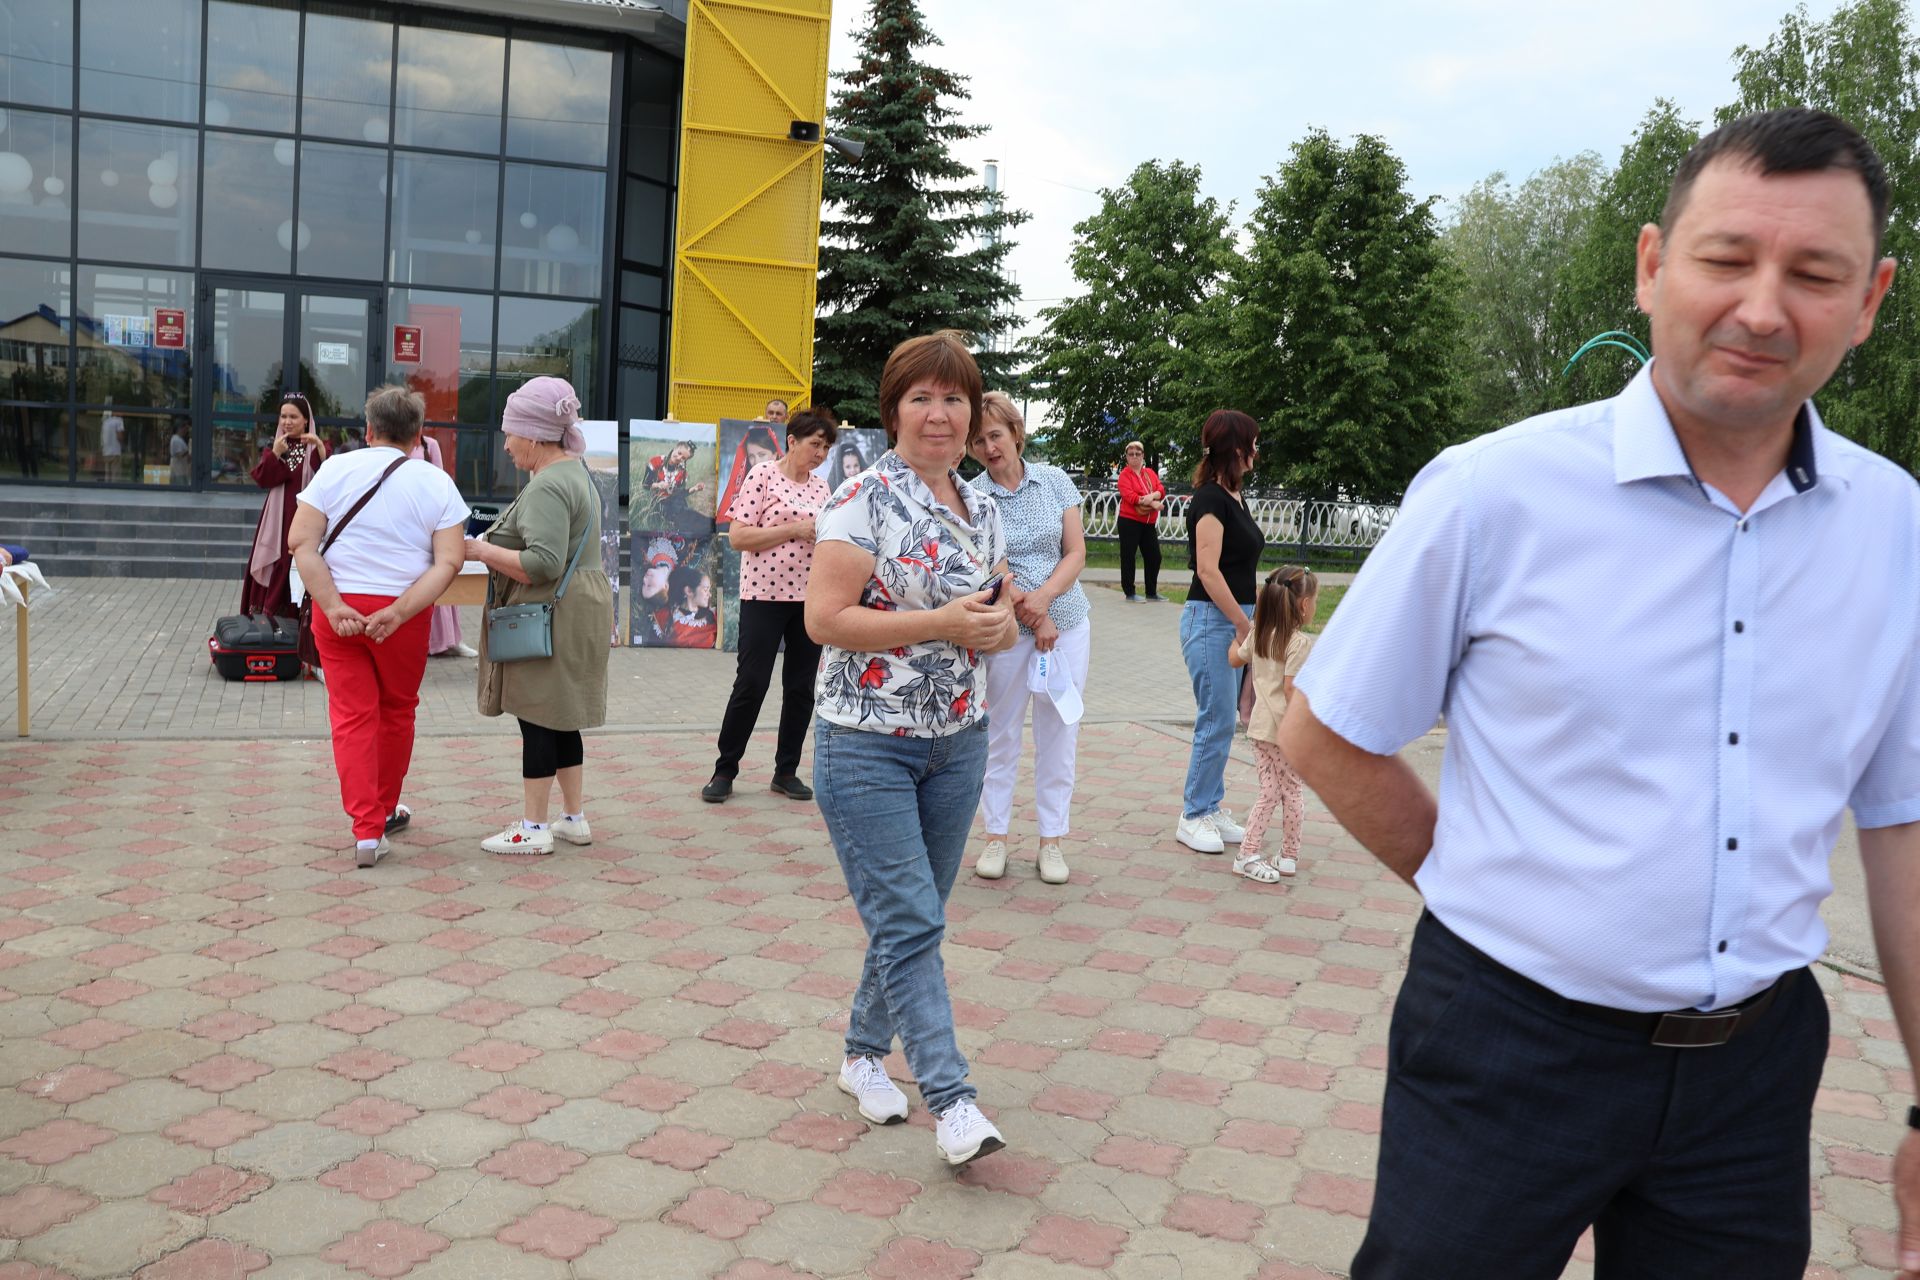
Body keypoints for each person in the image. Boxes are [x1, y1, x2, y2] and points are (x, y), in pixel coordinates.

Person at [1279, 109, 1920, 1279]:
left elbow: (1903, 823)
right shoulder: (1494, 493)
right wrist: (1482, 883)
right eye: (1727, 257)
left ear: (1870, 299)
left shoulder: (1896, 526)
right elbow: (1322, 731)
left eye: (1814, 272)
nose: (1764, 307)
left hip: (1758, 1067)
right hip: (1505, 1042)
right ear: (1650, 265)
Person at [806, 330, 1017, 1168]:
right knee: (914, 921)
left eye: (955, 398)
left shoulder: (985, 505)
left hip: (958, 741)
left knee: (907, 921)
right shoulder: (861, 498)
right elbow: (826, 620)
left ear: (975, 413)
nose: (940, 414)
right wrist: (941, 623)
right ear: (894, 408)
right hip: (866, 745)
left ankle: (862, 1054)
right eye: (923, 398)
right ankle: (953, 1100)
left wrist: (996, 627)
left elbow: (989, 612)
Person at [288, 386, 467, 869]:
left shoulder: (335, 469)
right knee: (396, 711)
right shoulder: (436, 482)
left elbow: (300, 543)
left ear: (367, 430)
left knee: (351, 717)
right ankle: (384, 810)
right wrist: (400, 611)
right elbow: (449, 561)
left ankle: (366, 831)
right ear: (419, 436)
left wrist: (333, 604)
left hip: (338, 610)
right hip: (403, 617)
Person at [467, 376, 615, 856]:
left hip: (556, 610)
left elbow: (542, 563)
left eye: (510, 434)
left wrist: (479, 550)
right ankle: (573, 818)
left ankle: (533, 827)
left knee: (537, 717)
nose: (506, 444)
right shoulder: (576, 472)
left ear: (532, 434)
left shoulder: (549, 484)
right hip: (580, 605)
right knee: (562, 715)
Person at [966, 392, 1090, 886]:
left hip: (1070, 625)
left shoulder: (1055, 480)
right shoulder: (973, 495)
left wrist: (1046, 602)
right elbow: (990, 567)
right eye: (978, 440)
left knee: (1061, 731)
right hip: (1006, 630)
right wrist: (1033, 615)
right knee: (1000, 734)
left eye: (995, 435)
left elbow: (1076, 552)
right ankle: (995, 836)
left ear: (1016, 433)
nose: (989, 447)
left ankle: (1051, 841)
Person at [705, 408, 838, 803]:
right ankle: (724, 771)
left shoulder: (822, 488)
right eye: (815, 444)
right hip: (763, 595)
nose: (820, 454)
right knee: (751, 682)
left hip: (809, 599)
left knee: (800, 687)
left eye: (826, 448)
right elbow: (738, 537)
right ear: (792, 440)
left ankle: (786, 771)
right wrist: (794, 529)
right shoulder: (761, 475)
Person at [1175, 409, 1264, 855]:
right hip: (1213, 620)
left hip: (1234, 618)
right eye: (1253, 443)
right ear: (1236, 448)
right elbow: (1208, 572)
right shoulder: (1209, 499)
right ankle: (1192, 814)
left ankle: (1210, 805)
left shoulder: (1236, 496)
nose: (1257, 452)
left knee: (1226, 719)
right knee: (1217, 718)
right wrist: (1243, 624)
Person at [1226, 566, 1316, 882]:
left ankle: (1282, 856)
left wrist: (1238, 633)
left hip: (1260, 729)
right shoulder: (1299, 642)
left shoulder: (1260, 633)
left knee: (1275, 789)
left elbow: (1235, 659)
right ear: (1303, 605)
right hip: (1285, 730)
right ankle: (1252, 855)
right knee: (1284, 790)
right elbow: (1291, 688)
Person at [242, 394, 328, 667]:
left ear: (306, 420)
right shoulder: (276, 447)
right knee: (277, 568)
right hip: (277, 524)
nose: (287, 422)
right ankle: (267, 636)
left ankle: (303, 639)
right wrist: (276, 454)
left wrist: (321, 451)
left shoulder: (317, 448)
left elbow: (330, 480)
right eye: (283, 416)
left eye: (293, 417)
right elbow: (262, 479)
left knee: (302, 575)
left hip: (306, 524)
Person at [411, 432, 475, 658]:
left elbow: (440, 481)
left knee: (442, 571)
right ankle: (421, 641)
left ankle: (451, 639)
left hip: (429, 518)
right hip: (405, 521)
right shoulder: (388, 443)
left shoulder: (430, 445)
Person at [1116, 440, 1165, 601]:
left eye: (1138, 454)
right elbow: (1130, 497)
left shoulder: (1149, 473)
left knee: (1154, 557)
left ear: (1143, 456)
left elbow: (1161, 489)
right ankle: (1129, 592)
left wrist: (1152, 496)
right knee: (1129, 556)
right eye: (1131, 454)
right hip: (1129, 520)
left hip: (1148, 523)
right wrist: (1154, 503)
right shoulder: (1124, 475)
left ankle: (1151, 591)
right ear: (1127, 457)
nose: (1135, 457)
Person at [716, 423, 782, 525]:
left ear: (775, 455)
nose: (756, 461)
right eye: (751, 456)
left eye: (761, 455)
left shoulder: (785, 482)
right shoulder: (747, 482)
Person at [642, 441, 707, 531]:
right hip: (659, 503)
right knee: (686, 518)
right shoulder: (656, 461)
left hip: (676, 503)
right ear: (675, 448)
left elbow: (680, 494)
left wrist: (695, 488)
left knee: (689, 515)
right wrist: (658, 485)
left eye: (683, 458)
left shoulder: (682, 472)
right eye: (679, 453)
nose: (679, 458)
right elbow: (645, 485)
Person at [666, 563, 716, 648]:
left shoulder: (712, 615)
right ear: (689, 591)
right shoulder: (669, 619)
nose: (709, 595)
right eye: (705, 590)